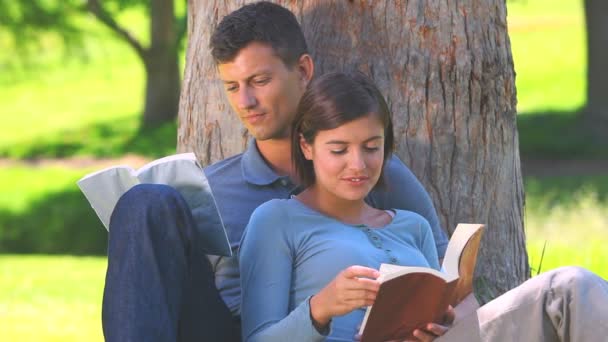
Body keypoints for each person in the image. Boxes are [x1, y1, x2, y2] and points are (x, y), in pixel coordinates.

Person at [101, 2, 448, 341]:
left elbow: (443, 276)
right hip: (225, 329)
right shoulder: (211, 187)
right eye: (233, 87)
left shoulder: (372, 171)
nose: (245, 102)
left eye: (260, 80)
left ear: (303, 71)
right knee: (145, 201)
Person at [239, 72, 608, 342]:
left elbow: (451, 312)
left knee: (569, 291)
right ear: (307, 147)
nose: (358, 164)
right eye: (338, 150)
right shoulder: (277, 221)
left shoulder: (411, 226)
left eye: (371, 147)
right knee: (566, 288)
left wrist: (444, 322)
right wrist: (321, 307)